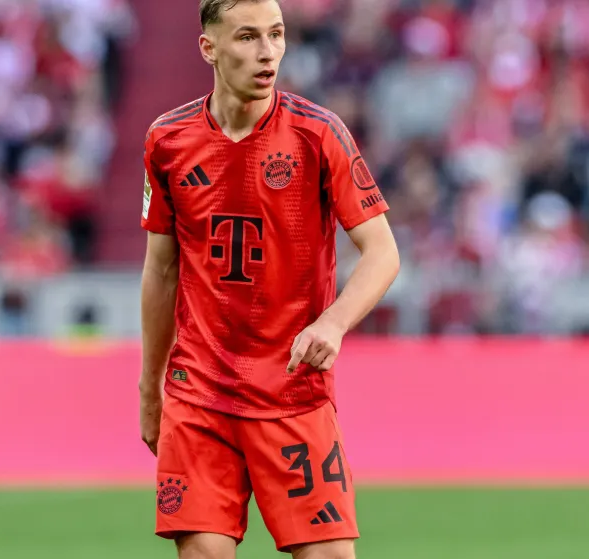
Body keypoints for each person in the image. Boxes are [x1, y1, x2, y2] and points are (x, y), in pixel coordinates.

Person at [138, 1, 400, 558]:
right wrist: (149, 387)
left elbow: (382, 252)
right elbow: (160, 271)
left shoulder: (318, 133)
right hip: (201, 392)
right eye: (249, 37)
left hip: (293, 389)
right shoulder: (166, 140)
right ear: (209, 48)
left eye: (277, 35)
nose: (268, 52)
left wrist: (333, 323)